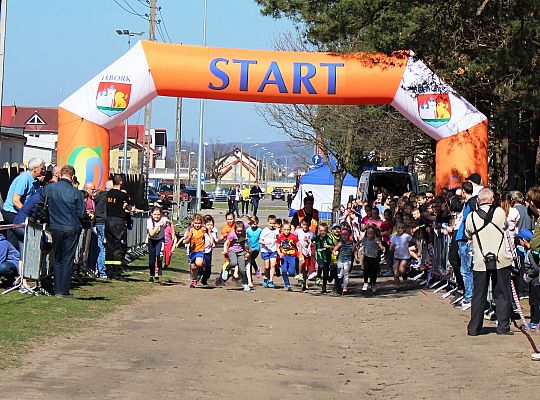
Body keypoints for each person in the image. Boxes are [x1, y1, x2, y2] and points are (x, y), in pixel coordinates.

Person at [465, 187, 513, 336]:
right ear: (492, 200)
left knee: (479, 295)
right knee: (503, 294)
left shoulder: (471, 217)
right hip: (500, 260)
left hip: (480, 261)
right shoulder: (499, 212)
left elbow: (468, 233)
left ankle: (474, 328)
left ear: (478, 201)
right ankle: (503, 326)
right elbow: (504, 226)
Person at [35, 165, 86, 298]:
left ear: (60, 174)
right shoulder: (76, 193)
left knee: (57, 258)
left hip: (55, 227)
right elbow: (81, 214)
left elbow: (40, 206)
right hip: (71, 228)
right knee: (67, 259)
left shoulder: (49, 188)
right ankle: (63, 290)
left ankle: (57, 290)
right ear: (72, 176)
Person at [1, 158, 45, 246]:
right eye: (42, 168)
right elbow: (15, 200)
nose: (44, 170)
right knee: (14, 241)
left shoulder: (35, 181)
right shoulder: (24, 179)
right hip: (12, 212)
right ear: (35, 169)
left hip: (20, 213)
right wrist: (26, 212)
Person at [454, 181, 476, 311]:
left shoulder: (472, 203)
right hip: (462, 238)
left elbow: (475, 219)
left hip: (466, 239)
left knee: (466, 270)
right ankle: (468, 296)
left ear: (463, 191)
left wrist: (471, 236)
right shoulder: (467, 203)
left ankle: (469, 297)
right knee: (465, 270)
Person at [104, 174, 131, 279]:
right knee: (118, 246)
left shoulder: (108, 194)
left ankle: (109, 270)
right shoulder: (122, 195)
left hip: (108, 220)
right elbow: (128, 206)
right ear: (121, 182)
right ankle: (116, 271)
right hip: (118, 221)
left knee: (109, 246)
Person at [92, 180, 113, 278]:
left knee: (100, 246)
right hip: (104, 223)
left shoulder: (99, 197)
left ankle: (97, 269)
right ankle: (102, 271)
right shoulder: (108, 197)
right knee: (102, 247)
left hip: (99, 222)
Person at [224, 221, 251, 291]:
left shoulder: (245, 230)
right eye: (238, 231)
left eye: (241, 231)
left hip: (241, 252)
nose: (239, 232)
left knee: (242, 269)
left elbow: (251, 223)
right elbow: (226, 242)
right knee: (233, 262)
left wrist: (250, 219)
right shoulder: (232, 234)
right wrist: (225, 250)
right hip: (232, 251)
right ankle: (227, 269)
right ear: (235, 229)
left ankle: (245, 284)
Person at [183, 214, 207, 288]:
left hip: (200, 250)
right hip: (192, 251)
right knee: (193, 267)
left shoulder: (203, 229)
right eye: (196, 223)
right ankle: (194, 280)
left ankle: (202, 267)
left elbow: (208, 232)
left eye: (199, 223)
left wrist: (211, 240)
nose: (197, 225)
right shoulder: (190, 230)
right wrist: (189, 238)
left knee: (199, 263)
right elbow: (184, 242)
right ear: (192, 223)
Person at [332, 226, 357, 295]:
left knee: (346, 274)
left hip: (348, 260)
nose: (344, 236)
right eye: (342, 235)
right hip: (340, 260)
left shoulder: (352, 243)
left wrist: (354, 248)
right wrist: (334, 252)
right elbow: (335, 249)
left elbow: (353, 251)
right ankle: (339, 285)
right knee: (339, 274)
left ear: (349, 235)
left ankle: (345, 288)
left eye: (346, 235)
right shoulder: (341, 242)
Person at [390, 223, 413, 292]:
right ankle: (397, 286)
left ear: (404, 229)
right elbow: (391, 247)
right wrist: (391, 247)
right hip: (396, 256)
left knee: (401, 270)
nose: (400, 229)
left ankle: (404, 275)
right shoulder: (393, 237)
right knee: (395, 271)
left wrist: (419, 250)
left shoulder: (406, 236)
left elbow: (416, 241)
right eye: (399, 228)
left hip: (405, 256)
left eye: (402, 228)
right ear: (396, 228)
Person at [277, 221, 300, 291]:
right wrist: (279, 253)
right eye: (285, 229)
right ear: (281, 229)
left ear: (290, 229)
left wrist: (300, 254)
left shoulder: (293, 237)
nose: (286, 231)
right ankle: (287, 284)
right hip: (284, 256)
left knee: (291, 272)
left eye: (288, 229)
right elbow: (277, 247)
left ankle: (296, 272)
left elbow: (299, 245)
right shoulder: (280, 237)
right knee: (283, 271)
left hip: (292, 256)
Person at [362, 226, 385, 293]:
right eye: (368, 233)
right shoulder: (365, 239)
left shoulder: (376, 239)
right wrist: (355, 248)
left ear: (374, 234)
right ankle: (365, 282)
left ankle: (373, 283)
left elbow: (382, 249)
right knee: (366, 270)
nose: (369, 235)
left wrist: (379, 244)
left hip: (374, 258)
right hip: (367, 257)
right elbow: (358, 243)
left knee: (373, 272)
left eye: (371, 233)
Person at [146, 206, 167, 282]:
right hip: (152, 240)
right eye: (155, 214)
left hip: (160, 240)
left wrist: (173, 234)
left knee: (159, 254)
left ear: (161, 214)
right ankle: (152, 275)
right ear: (151, 214)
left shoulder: (164, 220)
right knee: (151, 260)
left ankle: (159, 267)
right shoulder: (149, 221)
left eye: (158, 214)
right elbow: (151, 233)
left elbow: (170, 223)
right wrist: (158, 225)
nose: (156, 216)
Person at [313, 222, 334, 293]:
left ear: (327, 231)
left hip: (327, 257)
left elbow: (334, 246)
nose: (323, 232)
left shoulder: (328, 239)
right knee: (320, 265)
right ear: (319, 231)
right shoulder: (317, 237)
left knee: (326, 273)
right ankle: (318, 277)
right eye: (321, 231)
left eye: (324, 231)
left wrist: (329, 246)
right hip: (319, 255)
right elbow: (312, 241)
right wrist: (310, 243)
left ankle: (324, 285)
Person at [259, 214, 279, 288]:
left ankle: (271, 280)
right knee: (267, 267)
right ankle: (265, 278)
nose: (272, 225)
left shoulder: (276, 231)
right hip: (265, 250)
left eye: (273, 223)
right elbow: (260, 241)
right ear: (267, 223)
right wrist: (265, 243)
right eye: (270, 223)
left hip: (273, 250)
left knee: (273, 265)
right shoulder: (265, 230)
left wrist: (278, 247)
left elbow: (278, 239)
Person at [295, 218, 314, 291]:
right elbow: (294, 238)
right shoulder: (298, 231)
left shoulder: (311, 233)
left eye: (307, 225)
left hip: (307, 252)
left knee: (305, 269)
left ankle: (304, 282)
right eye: (304, 225)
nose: (305, 226)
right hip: (300, 250)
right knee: (301, 261)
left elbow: (312, 242)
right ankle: (299, 274)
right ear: (301, 225)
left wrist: (310, 244)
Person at [202, 214, 217, 286]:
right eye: (208, 225)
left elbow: (215, 241)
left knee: (208, 268)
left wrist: (213, 241)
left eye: (211, 225)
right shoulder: (201, 232)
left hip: (208, 252)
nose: (210, 227)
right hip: (201, 251)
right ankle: (198, 275)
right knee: (201, 264)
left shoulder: (213, 233)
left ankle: (204, 279)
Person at [246, 216, 262, 280]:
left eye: (255, 224)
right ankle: (250, 278)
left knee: (251, 260)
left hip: (256, 249)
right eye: (252, 224)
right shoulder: (248, 230)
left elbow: (262, 238)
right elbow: (245, 237)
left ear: (257, 223)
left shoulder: (260, 230)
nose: (253, 225)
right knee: (249, 263)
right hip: (249, 248)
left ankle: (256, 269)